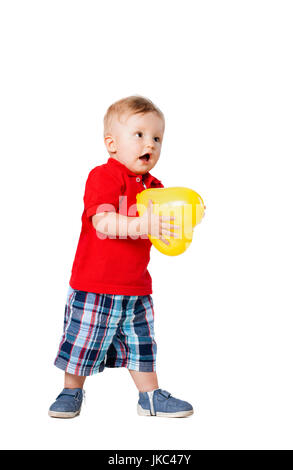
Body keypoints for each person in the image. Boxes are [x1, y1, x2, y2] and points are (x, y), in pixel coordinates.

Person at [49, 95, 194, 418]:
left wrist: (183, 220)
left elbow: (159, 232)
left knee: (141, 344)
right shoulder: (104, 176)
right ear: (112, 144)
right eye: (140, 135)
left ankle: (150, 396)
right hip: (95, 284)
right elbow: (103, 222)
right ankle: (72, 390)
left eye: (157, 138)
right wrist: (144, 223)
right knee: (83, 342)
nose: (151, 144)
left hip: (136, 286)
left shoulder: (155, 188)